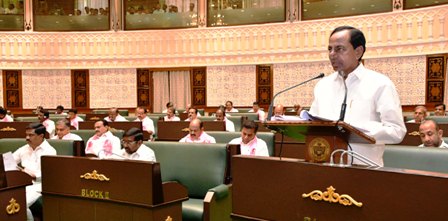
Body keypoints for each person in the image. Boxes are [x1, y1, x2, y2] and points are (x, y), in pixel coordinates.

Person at [309, 26, 406, 166]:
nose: (332, 54)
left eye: (339, 49)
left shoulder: (380, 84)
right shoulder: (323, 85)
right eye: (329, 49)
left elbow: (397, 131)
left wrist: (355, 130)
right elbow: (313, 125)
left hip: (365, 171)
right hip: (325, 166)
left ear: (358, 51)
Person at [13, 123, 56, 220]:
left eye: (31, 135)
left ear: (41, 136)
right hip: (21, 182)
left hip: (39, 184)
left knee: (19, 205)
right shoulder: (24, 148)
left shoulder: (50, 151)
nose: (27, 138)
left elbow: (49, 174)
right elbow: (10, 160)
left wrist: (32, 175)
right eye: (26, 135)